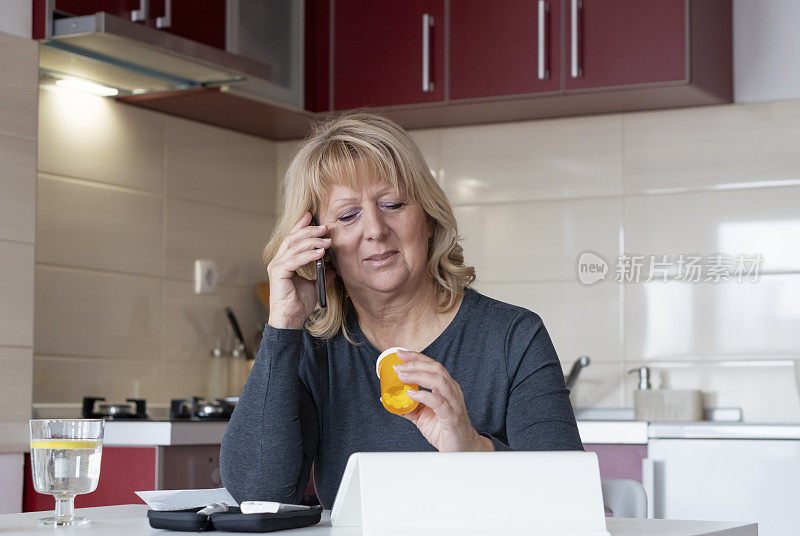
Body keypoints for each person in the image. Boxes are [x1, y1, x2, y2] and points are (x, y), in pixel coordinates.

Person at [220, 112, 583, 510]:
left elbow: (568, 497)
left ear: (427, 218)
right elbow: (258, 494)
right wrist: (283, 326)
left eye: (392, 204)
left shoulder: (514, 336)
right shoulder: (313, 348)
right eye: (347, 215)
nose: (375, 229)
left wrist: (472, 447)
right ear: (320, 246)